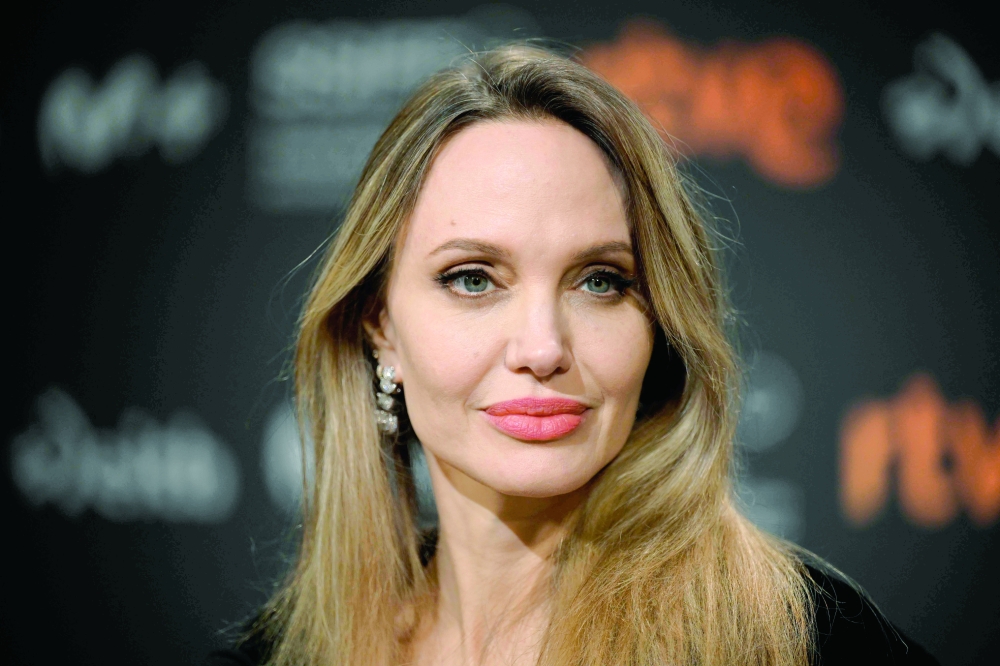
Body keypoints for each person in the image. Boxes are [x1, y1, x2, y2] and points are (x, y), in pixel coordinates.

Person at [207, 45, 939, 666]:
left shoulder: (797, 640)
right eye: (472, 279)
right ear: (379, 326)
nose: (543, 348)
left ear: (660, 325)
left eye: (600, 281)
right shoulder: (278, 655)